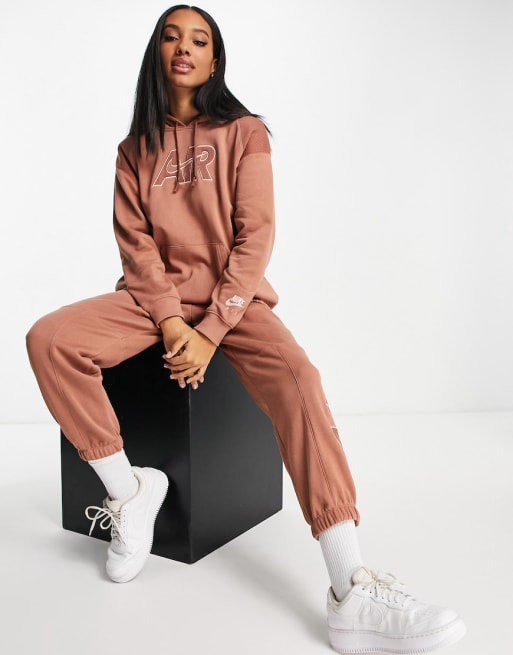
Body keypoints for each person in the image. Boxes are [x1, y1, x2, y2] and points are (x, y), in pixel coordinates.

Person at [26, 5, 466, 653]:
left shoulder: (245, 132)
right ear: (157, 53)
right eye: (171, 36)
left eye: (199, 39)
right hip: (153, 303)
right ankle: (131, 491)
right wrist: (170, 319)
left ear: (214, 60)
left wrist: (210, 329)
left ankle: (350, 587)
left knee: (299, 378)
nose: (184, 47)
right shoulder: (133, 150)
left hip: (233, 305)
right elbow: (137, 249)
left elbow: (254, 236)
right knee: (49, 339)